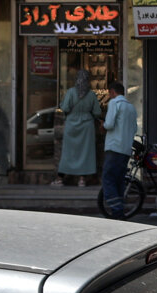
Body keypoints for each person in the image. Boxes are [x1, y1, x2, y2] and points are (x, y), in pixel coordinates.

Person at [54, 69, 101, 187]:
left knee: (68, 153)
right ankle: (82, 180)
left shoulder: (70, 92)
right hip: (87, 126)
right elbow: (97, 112)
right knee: (85, 153)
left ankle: (60, 179)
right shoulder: (91, 95)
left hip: (71, 124)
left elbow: (65, 108)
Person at [101, 81, 139, 219]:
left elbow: (109, 124)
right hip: (125, 149)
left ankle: (116, 210)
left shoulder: (114, 103)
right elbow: (134, 129)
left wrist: (103, 125)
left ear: (112, 92)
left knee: (108, 178)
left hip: (114, 147)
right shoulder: (131, 107)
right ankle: (120, 208)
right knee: (119, 180)